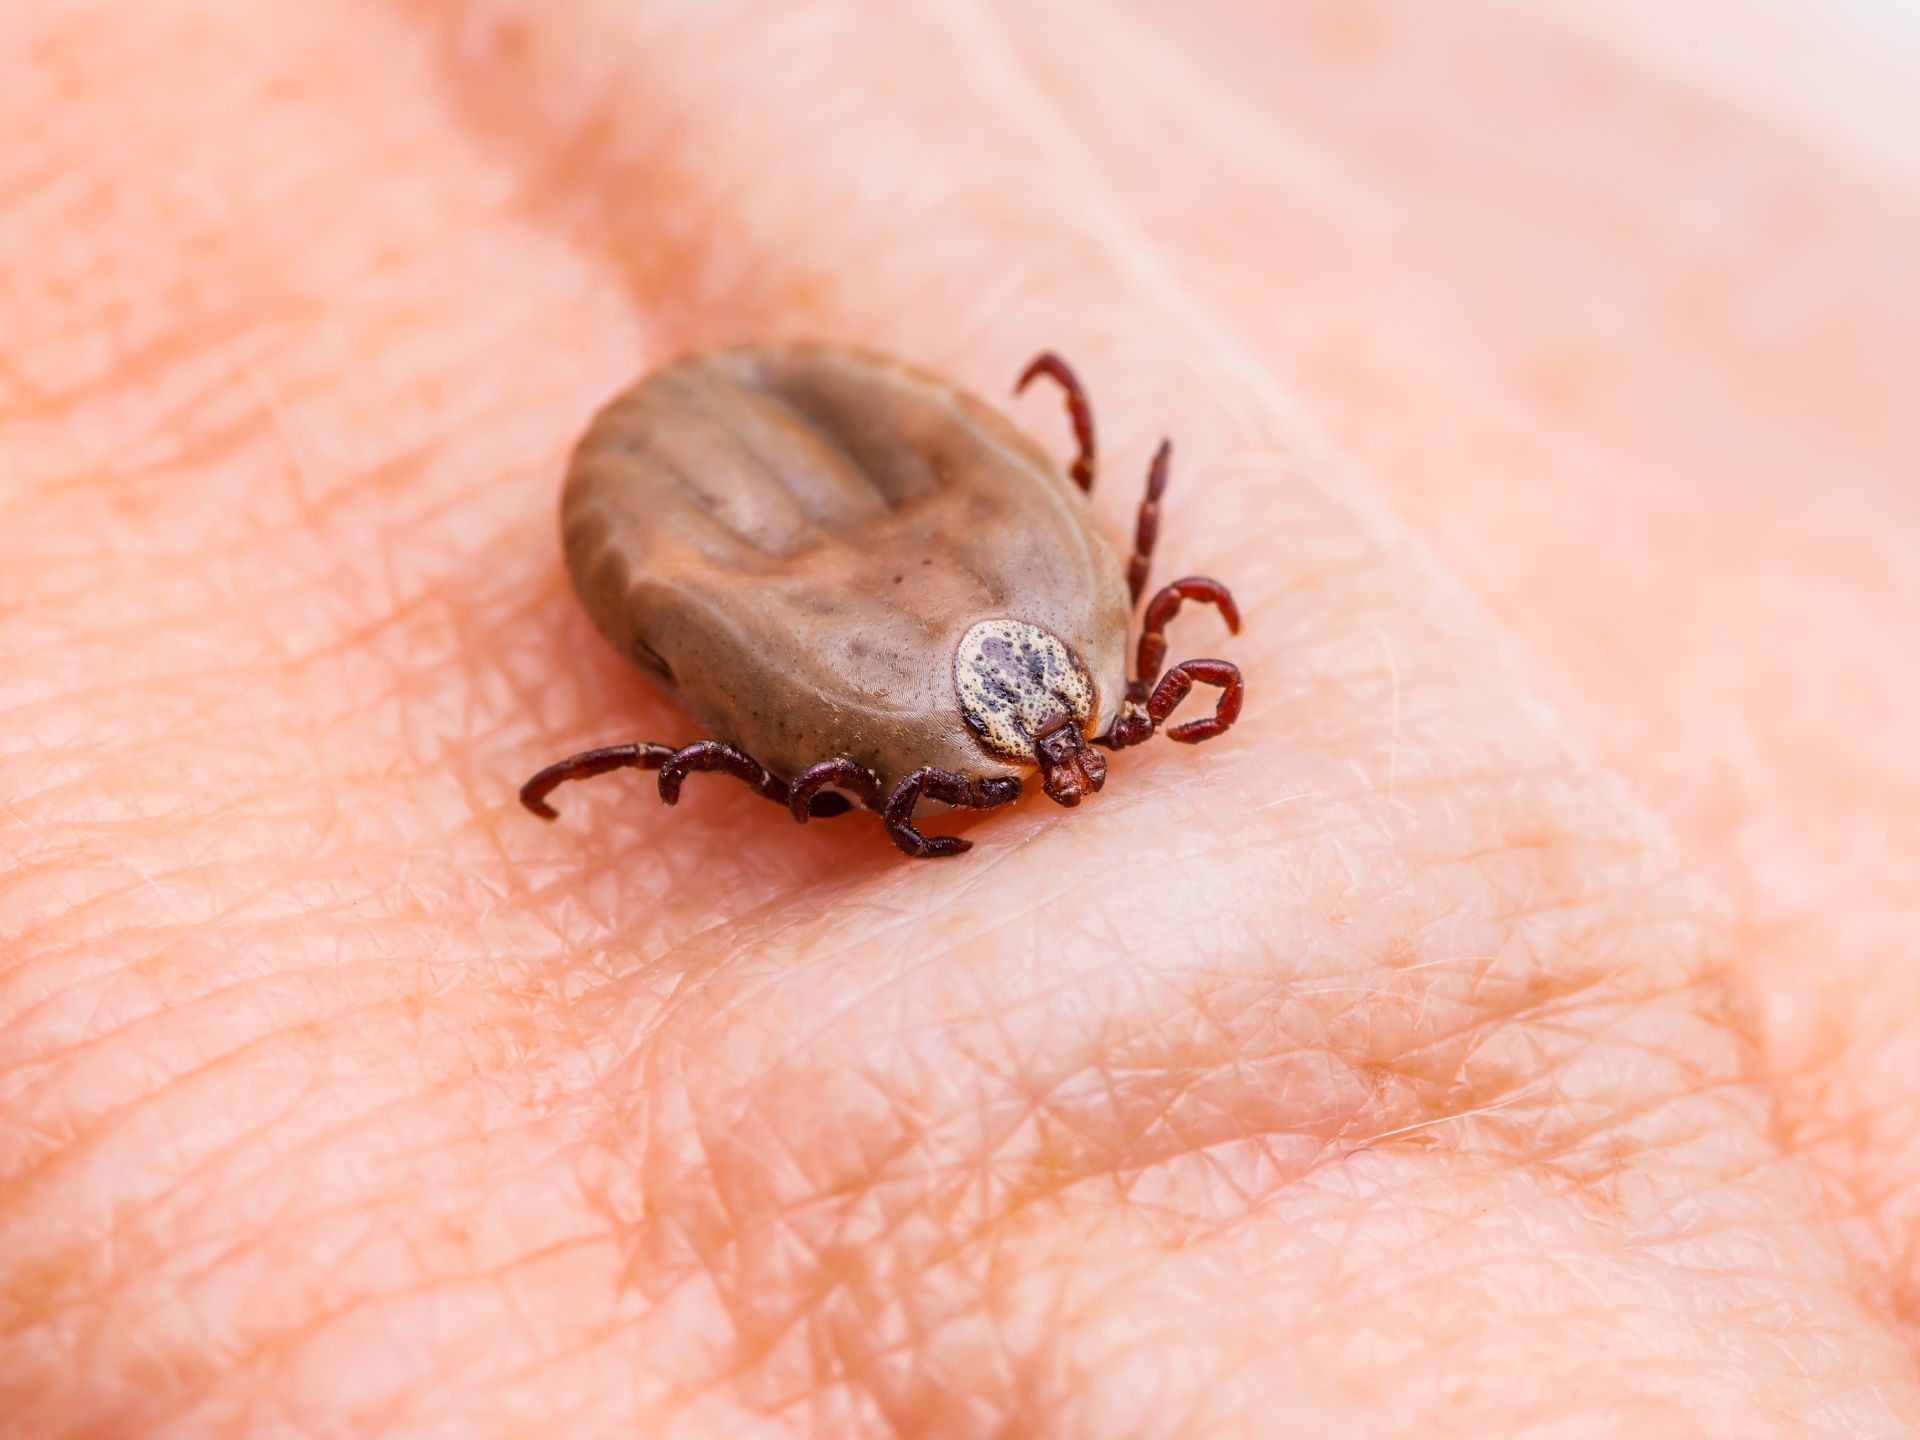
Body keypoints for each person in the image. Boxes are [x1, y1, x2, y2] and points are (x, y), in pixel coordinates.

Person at [4, 3, 1916, 1434]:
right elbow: (833, 760)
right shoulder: (970, 712)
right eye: (1055, 757)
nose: (1072, 781)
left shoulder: (1071, 667)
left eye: (1076, 748)